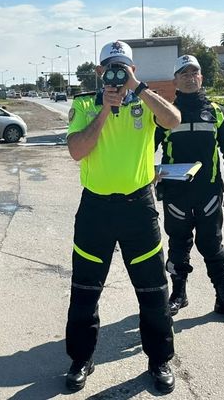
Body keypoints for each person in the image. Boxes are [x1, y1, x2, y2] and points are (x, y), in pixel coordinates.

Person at [64, 40, 181, 394]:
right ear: (99, 72)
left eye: (123, 68)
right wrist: (104, 110)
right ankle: (81, 358)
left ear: (132, 70)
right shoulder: (85, 102)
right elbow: (77, 150)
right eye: (110, 68)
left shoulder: (145, 101)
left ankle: (159, 360)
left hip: (138, 208)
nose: (116, 74)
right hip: (96, 208)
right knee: (85, 289)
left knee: (153, 290)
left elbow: (173, 121)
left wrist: (138, 88)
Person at [155, 55, 224, 324]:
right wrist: (149, 173)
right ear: (175, 80)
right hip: (176, 194)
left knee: (212, 246)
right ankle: (179, 295)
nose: (189, 76)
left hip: (208, 192)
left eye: (194, 72)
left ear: (201, 78)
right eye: (183, 73)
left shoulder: (219, 112)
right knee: (178, 246)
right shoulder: (166, 113)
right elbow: (146, 149)